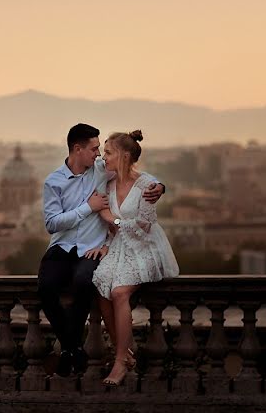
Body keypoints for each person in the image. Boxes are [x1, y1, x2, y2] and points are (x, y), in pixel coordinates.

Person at [37, 123, 165, 377]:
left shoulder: (100, 169)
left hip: (90, 249)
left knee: (85, 282)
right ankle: (72, 348)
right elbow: (52, 224)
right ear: (77, 149)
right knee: (46, 287)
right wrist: (88, 207)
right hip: (62, 246)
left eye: (100, 149)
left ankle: (68, 351)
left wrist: (160, 187)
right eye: (94, 149)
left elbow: (133, 171)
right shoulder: (54, 182)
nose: (98, 154)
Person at [92, 130, 179, 386]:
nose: (103, 157)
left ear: (125, 155)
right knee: (101, 284)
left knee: (119, 292)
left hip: (145, 247)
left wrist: (114, 219)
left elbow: (144, 225)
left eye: (108, 152)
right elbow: (104, 216)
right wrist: (109, 234)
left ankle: (120, 362)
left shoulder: (147, 185)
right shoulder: (107, 182)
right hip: (119, 245)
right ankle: (125, 352)